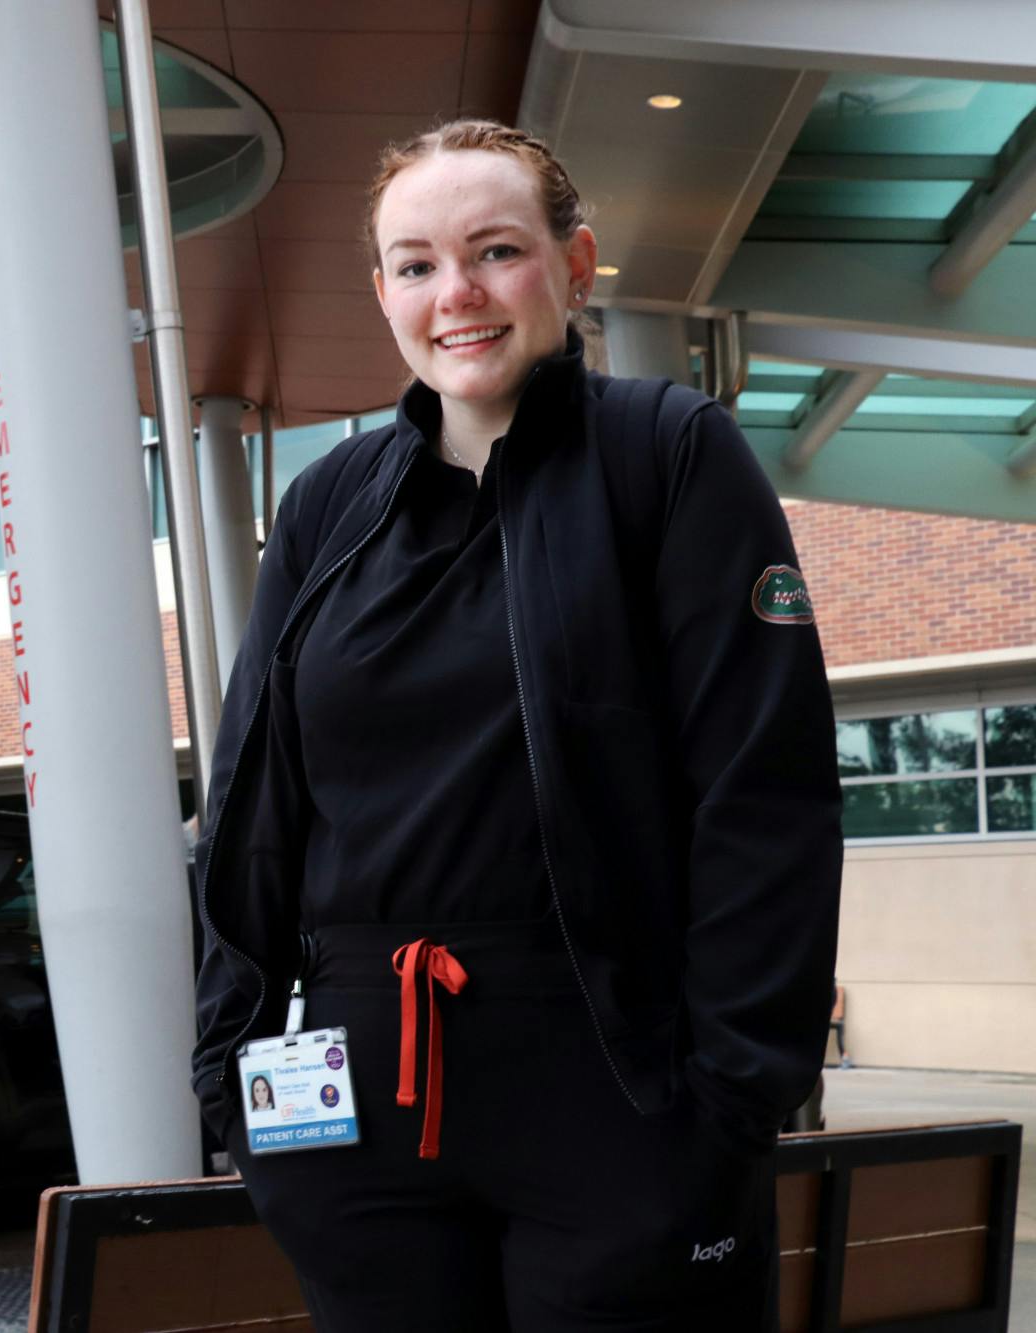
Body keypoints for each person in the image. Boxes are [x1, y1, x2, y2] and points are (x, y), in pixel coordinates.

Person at [190, 119, 841, 1331]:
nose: (457, 295)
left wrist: (729, 1098)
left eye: (495, 251)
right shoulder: (327, 506)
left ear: (575, 263)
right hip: (355, 1117)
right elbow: (252, 809)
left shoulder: (667, 455)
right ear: (381, 290)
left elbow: (764, 791)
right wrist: (230, 1074)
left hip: (618, 1097)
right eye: (418, 264)